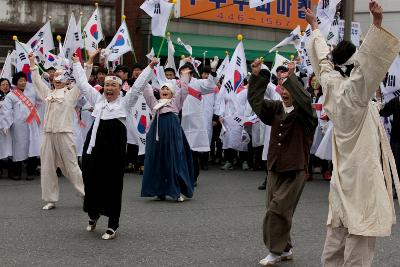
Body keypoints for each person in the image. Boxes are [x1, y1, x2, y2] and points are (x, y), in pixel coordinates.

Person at [305, 2, 400, 266]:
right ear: (355, 67)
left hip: (342, 172)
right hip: (362, 174)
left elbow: (323, 60)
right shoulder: (356, 93)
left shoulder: (331, 85)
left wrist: (315, 28)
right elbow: (368, 63)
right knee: (361, 228)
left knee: (338, 228)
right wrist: (377, 24)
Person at [72, 51, 156, 240]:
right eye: (107, 85)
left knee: (112, 184)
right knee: (91, 181)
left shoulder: (125, 103)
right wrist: (78, 63)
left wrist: (150, 68)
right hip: (93, 147)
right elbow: (83, 85)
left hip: (114, 151)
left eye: (113, 85)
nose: (109, 88)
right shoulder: (97, 100)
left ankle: (112, 224)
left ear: (119, 88)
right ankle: (93, 214)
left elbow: (138, 87)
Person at [248, 59, 317, 265]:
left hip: (295, 168)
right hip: (275, 166)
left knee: (278, 209)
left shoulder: (305, 114)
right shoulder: (276, 108)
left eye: (289, 88)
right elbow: (256, 101)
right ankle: (285, 249)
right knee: (276, 208)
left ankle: (275, 251)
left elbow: (305, 100)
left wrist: (292, 75)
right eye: (282, 88)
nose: (284, 92)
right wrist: (258, 75)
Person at [141, 67, 194, 202]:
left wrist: (184, 76)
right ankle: (160, 190)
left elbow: (184, 90)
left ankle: (175, 191)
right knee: (157, 160)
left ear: (172, 92)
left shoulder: (176, 102)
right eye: (162, 88)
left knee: (174, 160)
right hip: (157, 135)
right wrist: (146, 73)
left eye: (167, 89)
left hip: (172, 135)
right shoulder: (155, 103)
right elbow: (146, 91)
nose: (164, 91)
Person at [0, 72, 41, 180]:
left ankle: (30, 172)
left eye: (24, 80)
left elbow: (42, 97)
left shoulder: (32, 91)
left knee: (32, 146)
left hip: (32, 124)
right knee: (18, 148)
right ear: (16, 82)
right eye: (20, 81)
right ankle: (17, 172)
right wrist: (6, 124)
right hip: (18, 126)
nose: (23, 83)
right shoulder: (11, 95)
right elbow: (6, 111)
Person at [0, 78, 12, 178]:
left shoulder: (12, 96)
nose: (5, 86)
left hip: (10, 126)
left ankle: (11, 170)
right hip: (0, 126)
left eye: (7, 84)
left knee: (10, 148)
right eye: (3, 84)